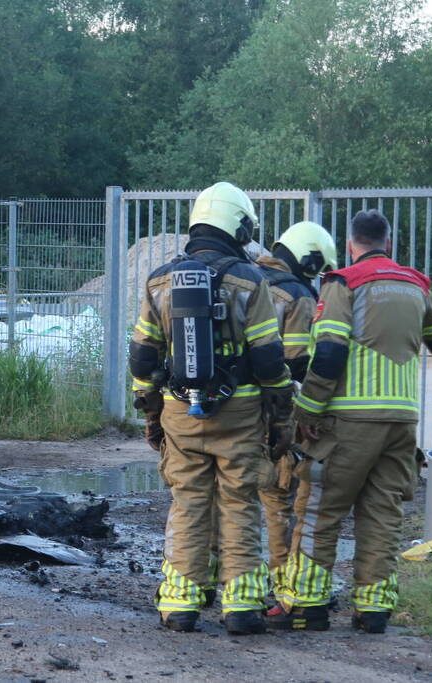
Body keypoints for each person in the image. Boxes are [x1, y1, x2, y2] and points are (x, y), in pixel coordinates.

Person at [267, 209, 432, 633]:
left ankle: (306, 606)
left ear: (352, 245)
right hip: (401, 424)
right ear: (388, 243)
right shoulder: (416, 285)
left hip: (349, 423)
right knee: (383, 515)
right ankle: (373, 610)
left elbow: (332, 352)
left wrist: (308, 412)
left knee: (320, 511)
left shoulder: (344, 284)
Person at [129, 181, 294, 635]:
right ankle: (241, 606)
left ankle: (180, 603)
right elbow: (268, 359)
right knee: (239, 501)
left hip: (178, 411)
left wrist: (150, 415)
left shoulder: (160, 280)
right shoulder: (252, 280)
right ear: (238, 225)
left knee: (187, 502)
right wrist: (281, 417)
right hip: (239, 413)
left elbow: (143, 356)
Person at [255, 221, 337, 604]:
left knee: (224, 497)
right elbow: (297, 362)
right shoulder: (298, 294)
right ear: (309, 260)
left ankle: (210, 579)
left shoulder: (246, 277)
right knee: (279, 497)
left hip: (232, 407)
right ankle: (282, 580)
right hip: (275, 410)